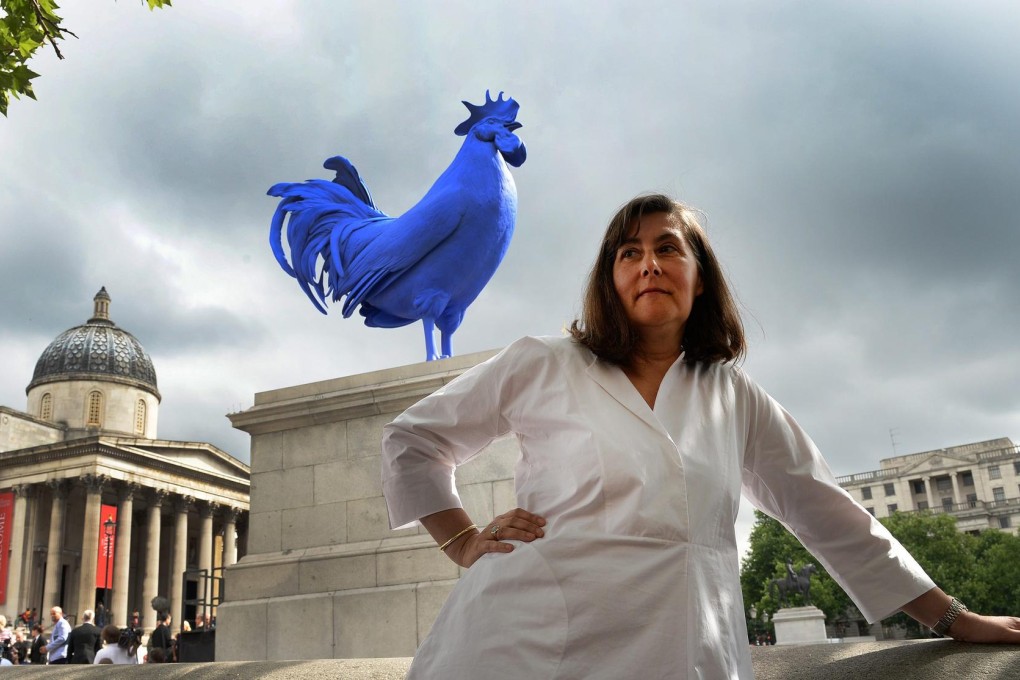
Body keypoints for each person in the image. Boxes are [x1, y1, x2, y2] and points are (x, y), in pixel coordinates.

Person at [381, 194, 1020, 679]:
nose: (648, 264)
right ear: (610, 278)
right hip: (521, 645)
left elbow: (825, 510)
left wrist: (953, 617)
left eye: (668, 248)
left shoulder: (733, 396)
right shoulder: (543, 362)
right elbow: (414, 441)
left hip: (680, 651)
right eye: (628, 253)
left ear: (699, 274)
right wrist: (463, 541)